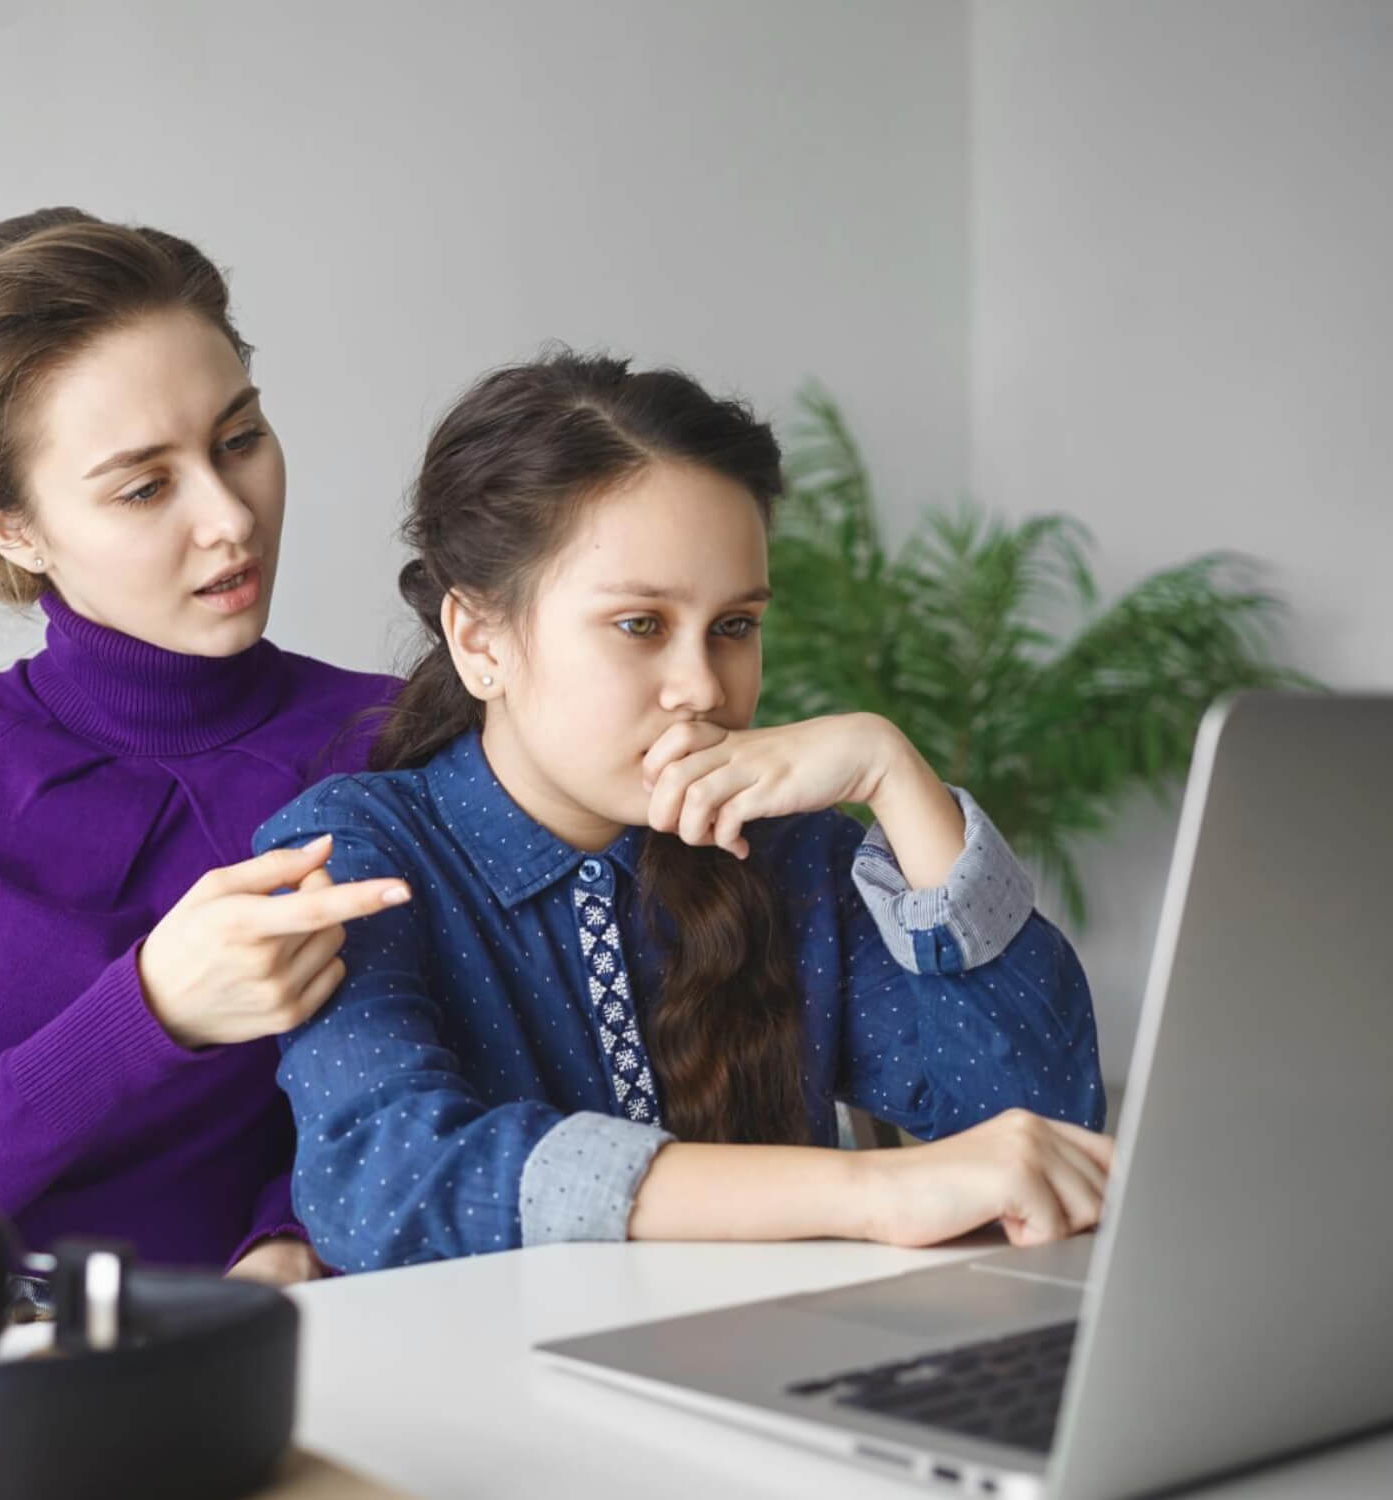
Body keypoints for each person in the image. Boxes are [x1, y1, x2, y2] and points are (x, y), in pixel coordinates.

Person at [256, 351, 1109, 1273]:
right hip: (488, 1401)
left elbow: (1041, 1129)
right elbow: (393, 1183)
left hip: (773, 1375)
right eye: (642, 626)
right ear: (480, 638)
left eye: (736, 626)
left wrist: (895, 772)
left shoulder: (792, 854)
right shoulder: (356, 854)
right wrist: (868, 1192)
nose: (703, 687)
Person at [0, 208, 412, 1284]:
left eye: (239, 440)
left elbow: (458, 1084)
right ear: (7, 525)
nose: (230, 519)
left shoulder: (399, 742)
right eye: (147, 486)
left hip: (326, 1367)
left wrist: (294, 1238)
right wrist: (146, 1010)